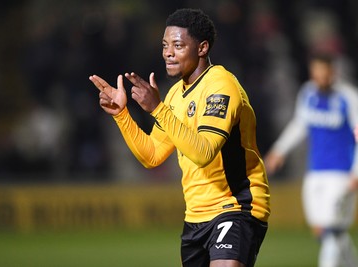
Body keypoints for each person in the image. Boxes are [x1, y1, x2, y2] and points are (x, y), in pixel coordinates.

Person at [90, 8, 270, 267]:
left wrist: (157, 109)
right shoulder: (175, 94)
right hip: (195, 216)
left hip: (236, 206)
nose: (168, 53)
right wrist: (122, 115)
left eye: (177, 45)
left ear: (202, 48)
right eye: (165, 45)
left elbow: (204, 153)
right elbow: (152, 155)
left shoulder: (221, 86)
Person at [264, 53, 358, 267]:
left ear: (333, 72)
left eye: (324, 72)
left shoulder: (348, 97)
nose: (319, 77)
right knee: (323, 231)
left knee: (332, 229)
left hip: (342, 173)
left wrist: (356, 172)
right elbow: (300, 124)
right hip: (315, 172)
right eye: (316, 72)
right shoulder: (308, 93)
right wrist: (279, 150)